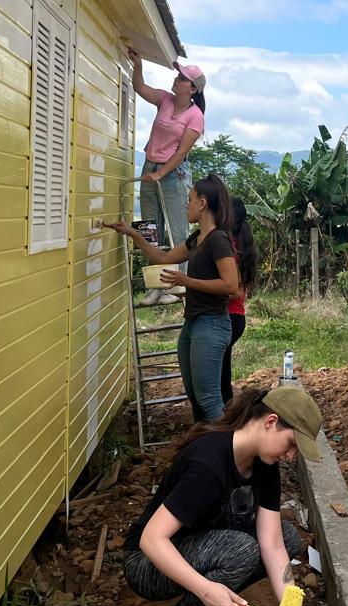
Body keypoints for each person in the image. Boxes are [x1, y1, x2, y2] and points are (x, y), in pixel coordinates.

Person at [121, 386, 331, 606]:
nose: (291, 456)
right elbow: (151, 540)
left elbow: (273, 542)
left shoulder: (265, 466)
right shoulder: (209, 463)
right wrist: (206, 589)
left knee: (288, 536)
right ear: (271, 422)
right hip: (147, 563)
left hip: (199, 547)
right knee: (241, 549)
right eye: (291, 444)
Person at [110, 174, 238, 423]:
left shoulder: (218, 241)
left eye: (189, 200)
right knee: (196, 398)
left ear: (202, 204)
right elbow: (163, 258)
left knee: (210, 400)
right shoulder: (196, 240)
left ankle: (231, 455)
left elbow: (231, 285)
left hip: (212, 325)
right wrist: (133, 234)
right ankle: (206, 452)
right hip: (193, 325)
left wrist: (187, 281)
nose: (185, 205)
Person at [128, 47, 206, 305]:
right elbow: (140, 87)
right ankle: (156, 285)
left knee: (176, 230)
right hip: (151, 168)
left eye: (182, 78)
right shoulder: (165, 100)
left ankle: (177, 287)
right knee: (149, 229)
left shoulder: (195, 117)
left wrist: (161, 172)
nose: (177, 79)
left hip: (173, 174)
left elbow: (182, 151)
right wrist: (137, 63)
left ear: (192, 89)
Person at [222, 198, 258, 404]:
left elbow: (236, 292)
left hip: (230, 317)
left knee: (220, 371)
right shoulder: (239, 244)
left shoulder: (229, 248)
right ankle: (226, 409)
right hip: (236, 317)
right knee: (222, 368)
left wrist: (196, 288)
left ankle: (224, 414)